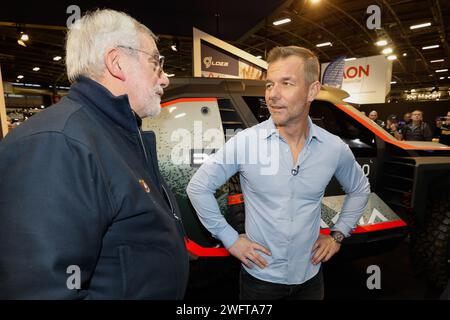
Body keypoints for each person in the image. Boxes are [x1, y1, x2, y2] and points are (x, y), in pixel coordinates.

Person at [0, 9, 189, 299]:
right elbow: (42, 289)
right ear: (117, 63)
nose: (164, 79)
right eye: (156, 62)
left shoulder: (111, 133)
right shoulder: (57, 144)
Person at [187, 46, 370, 300]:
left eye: (286, 83)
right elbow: (198, 188)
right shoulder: (246, 142)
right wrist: (230, 239)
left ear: (313, 90)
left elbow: (360, 189)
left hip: (311, 279)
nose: (273, 94)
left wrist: (338, 235)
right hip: (260, 281)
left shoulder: (333, 148)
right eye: (269, 84)